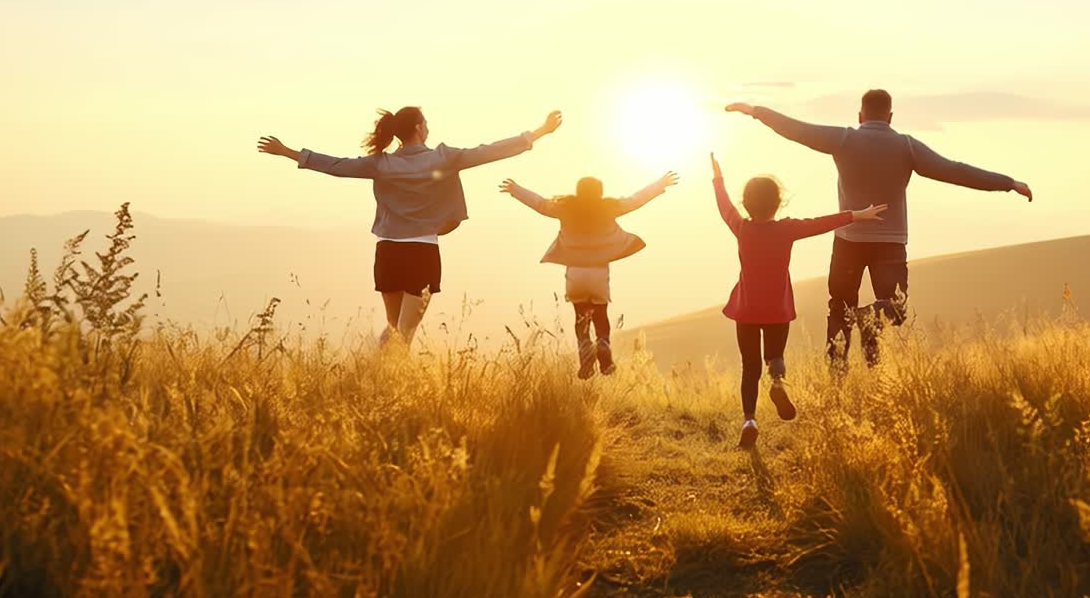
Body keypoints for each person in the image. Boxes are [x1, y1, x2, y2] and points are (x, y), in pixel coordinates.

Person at [725, 90, 1031, 371]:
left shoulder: (844, 139)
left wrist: (755, 111)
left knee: (840, 311)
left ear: (860, 116)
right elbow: (955, 171)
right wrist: (1007, 183)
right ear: (890, 117)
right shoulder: (907, 146)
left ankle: (837, 380)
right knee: (894, 308)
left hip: (848, 242)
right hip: (890, 244)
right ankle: (873, 362)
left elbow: (797, 130)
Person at [257, 107, 564, 348]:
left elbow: (337, 166)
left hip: (387, 251)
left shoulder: (381, 163)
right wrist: (540, 132)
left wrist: (287, 152)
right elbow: (490, 151)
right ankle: (383, 381)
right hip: (422, 251)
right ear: (419, 128)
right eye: (425, 122)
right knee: (404, 335)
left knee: (395, 330)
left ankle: (379, 381)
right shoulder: (444, 158)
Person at [711, 153, 886, 448]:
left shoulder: (742, 229)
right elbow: (820, 223)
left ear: (747, 203)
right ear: (778, 202)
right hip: (777, 310)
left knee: (749, 365)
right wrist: (857, 214)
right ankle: (778, 380)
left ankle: (749, 420)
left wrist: (718, 179)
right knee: (774, 356)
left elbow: (724, 207)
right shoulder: (786, 229)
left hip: (747, 309)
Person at [500, 171, 679, 378]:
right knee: (601, 316)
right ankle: (604, 353)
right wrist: (661, 184)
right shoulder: (609, 208)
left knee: (581, 319)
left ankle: (586, 355)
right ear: (599, 192)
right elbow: (636, 200)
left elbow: (540, 204)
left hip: (575, 274)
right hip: (598, 273)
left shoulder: (565, 209)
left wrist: (515, 190)